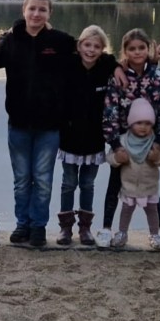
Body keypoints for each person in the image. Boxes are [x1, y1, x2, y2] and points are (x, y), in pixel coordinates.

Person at [0, 0, 77, 247]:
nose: (36, 14)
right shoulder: (11, 41)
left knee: (42, 180)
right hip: (18, 124)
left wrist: (117, 67)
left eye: (42, 9)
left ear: (50, 13)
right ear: (24, 10)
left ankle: (38, 226)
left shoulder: (60, 41)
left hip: (49, 127)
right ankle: (22, 224)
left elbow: (91, 52)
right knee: (21, 180)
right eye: (32, 8)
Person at [98, 29, 160, 247]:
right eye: (132, 48)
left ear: (148, 49)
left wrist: (159, 143)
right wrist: (115, 144)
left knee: (151, 185)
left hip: (150, 140)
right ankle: (107, 228)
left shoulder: (159, 77)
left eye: (141, 47)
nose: (137, 52)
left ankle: (159, 229)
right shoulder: (118, 77)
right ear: (125, 51)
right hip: (124, 141)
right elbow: (110, 111)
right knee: (115, 183)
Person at [56, 25, 117, 245]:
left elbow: (114, 62)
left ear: (102, 50)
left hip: (94, 139)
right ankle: (65, 229)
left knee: (88, 184)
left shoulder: (105, 68)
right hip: (69, 137)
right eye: (87, 45)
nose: (91, 50)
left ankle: (85, 228)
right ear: (79, 46)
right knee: (68, 183)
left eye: (96, 46)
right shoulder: (68, 65)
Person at [105, 98, 160, 250]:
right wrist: (117, 158)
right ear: (131, 123)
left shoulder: (155, 142)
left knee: (152, 212)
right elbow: (110, 158)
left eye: (148, 123)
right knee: (126, 211)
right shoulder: (123, 141)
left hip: (149, 187)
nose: (143, 127)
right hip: (129, 187)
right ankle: (122, 233)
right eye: (139, 123)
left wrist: (158, 158)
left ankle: (154, 234)